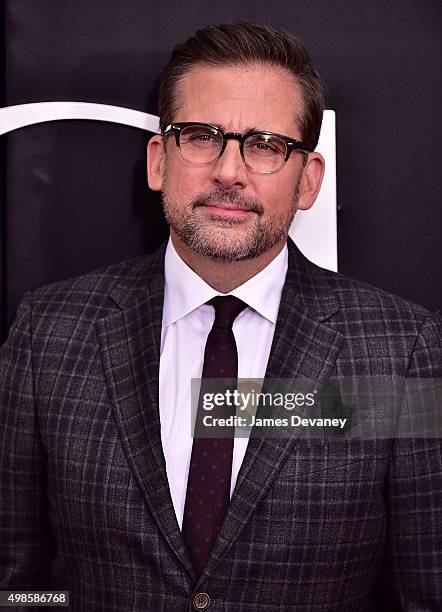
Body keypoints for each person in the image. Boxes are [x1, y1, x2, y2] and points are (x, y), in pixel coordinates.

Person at [0, 22, 440, 612]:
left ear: (308, 180)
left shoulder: (401, 348)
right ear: (159, 160)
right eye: (203, 137)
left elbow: (426, 590)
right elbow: (15, 580)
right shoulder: (49, 331)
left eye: (264, 145)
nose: (229, 172)